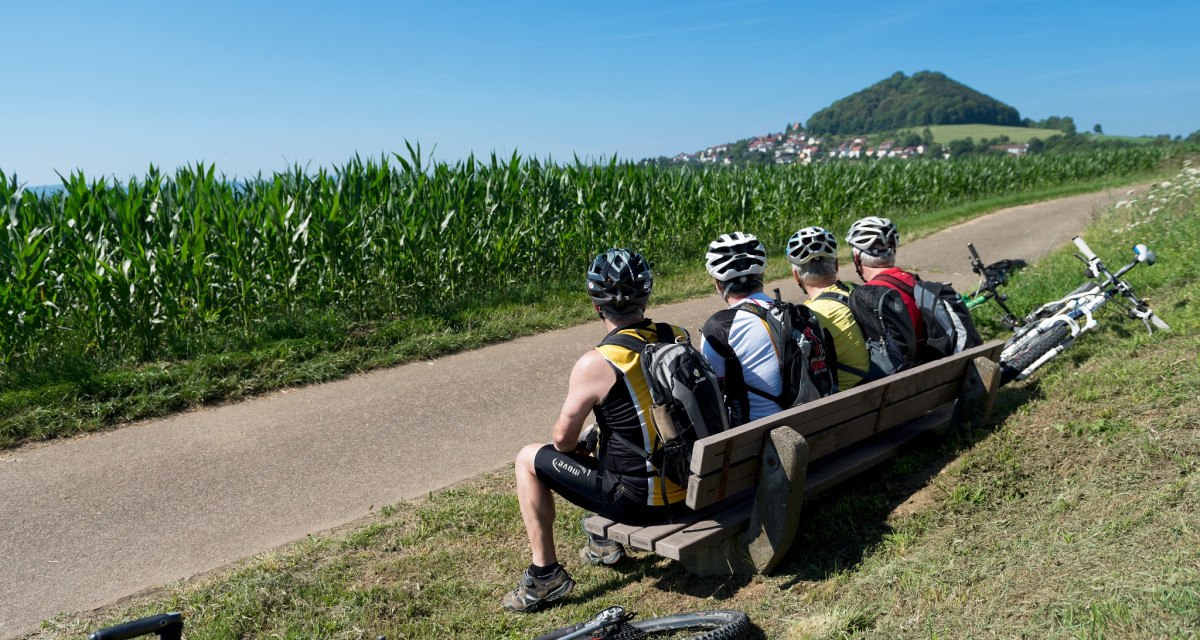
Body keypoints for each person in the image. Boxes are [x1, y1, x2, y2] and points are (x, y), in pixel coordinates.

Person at [503, 248, 690, 613]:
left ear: (595, 306)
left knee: (528, 458)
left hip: (643, 503)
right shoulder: (677, 336)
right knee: (605, 430)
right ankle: (602, 539)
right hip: (690, 485)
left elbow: (562, 441)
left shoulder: (598, 362)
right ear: (646, 296)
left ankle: (545, 575)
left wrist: (581, 442)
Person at [699, 232, 786, 426]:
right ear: (762, 274)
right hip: (816, 424)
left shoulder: (719, 327)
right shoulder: (795, 313)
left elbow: (713, 395)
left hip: (759, 437)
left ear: (718, 284)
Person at [786, 226, 870, 391]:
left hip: (846, 399)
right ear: (836, 265)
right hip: (881, 383)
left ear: (796, 276)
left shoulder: (810, 316)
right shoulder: (856, 290)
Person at [845, 216, 926, 356]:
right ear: (893, 251)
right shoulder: (913, 281)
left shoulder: (864, 297)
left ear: (856, 258)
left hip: (904, 368)